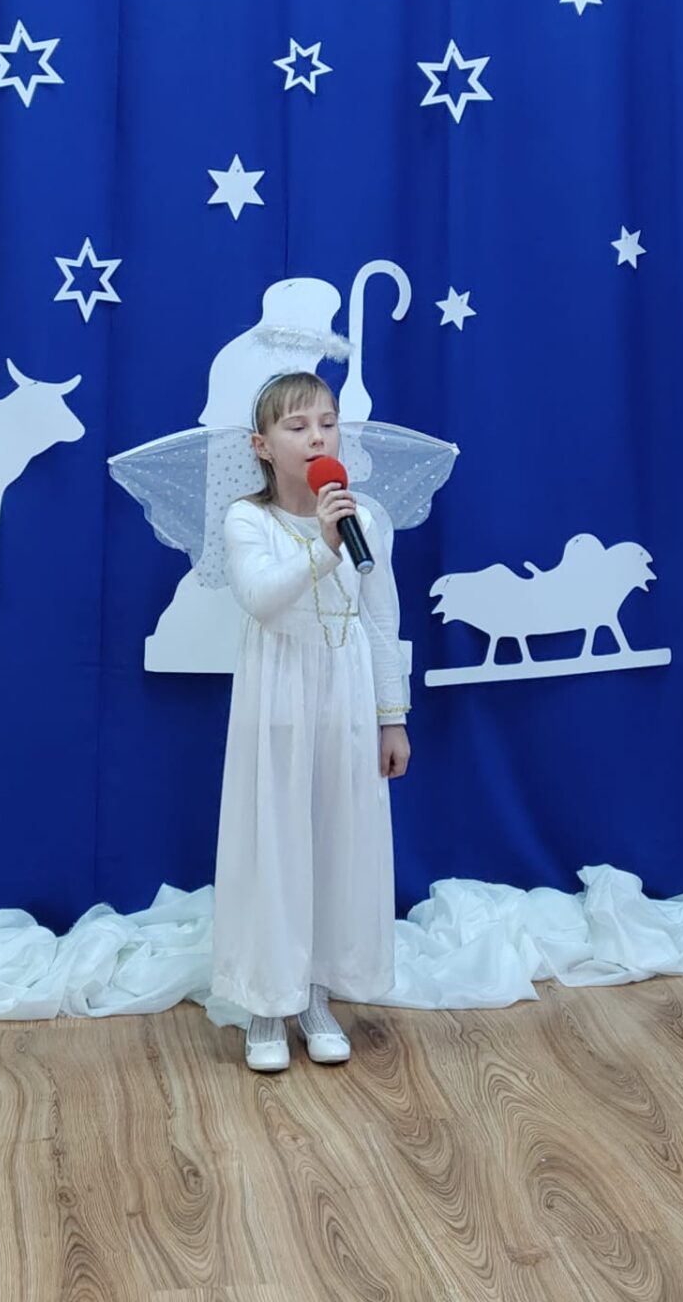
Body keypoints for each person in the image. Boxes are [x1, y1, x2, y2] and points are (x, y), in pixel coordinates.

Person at [211, 370, 411, 1071]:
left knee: (339, 841)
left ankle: (316, 994)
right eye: (297, 426)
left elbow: (381, 620)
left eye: (327, 422)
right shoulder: (247, 520)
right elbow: (262, 599)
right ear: (262, 445)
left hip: (347, 696)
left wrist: (392, 717)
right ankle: (267, 1002)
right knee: (277, 842)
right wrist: (325, 548)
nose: (317, 437)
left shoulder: (366, 519)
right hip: (279, 695)